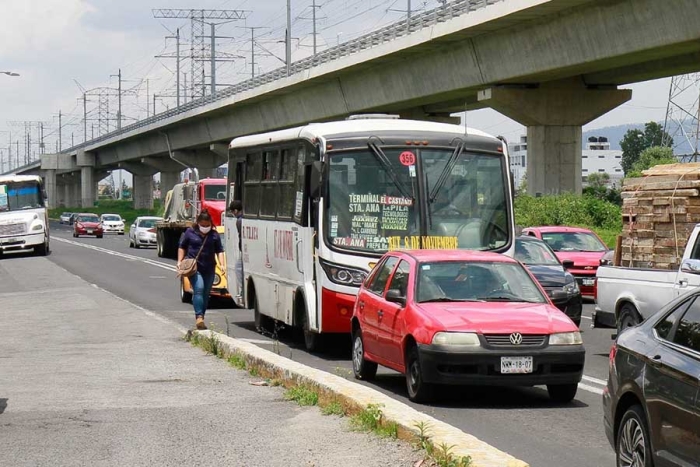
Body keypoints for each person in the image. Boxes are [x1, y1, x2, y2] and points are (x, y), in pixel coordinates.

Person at [177, 209, 225, 330]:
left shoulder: (214, 235)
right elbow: (182, 247)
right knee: (199, 289)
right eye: (202, 225)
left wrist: (222, 264)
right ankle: (198, 317)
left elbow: (219, 250)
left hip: (209, 267)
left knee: (205, 294)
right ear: (198, 223)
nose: (205, 227)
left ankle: (201, 318)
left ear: (211, 223)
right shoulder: (190, 232)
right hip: (194, 268)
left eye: (207, 225)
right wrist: (179, 261)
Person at [229, 200, 244, 301]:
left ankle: (243, 289)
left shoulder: (239, 221)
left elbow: (241, 236)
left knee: (238, 268)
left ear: (235, 210)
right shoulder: (244, 217)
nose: (232, 214)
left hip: (244, 250)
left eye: (232, 212)